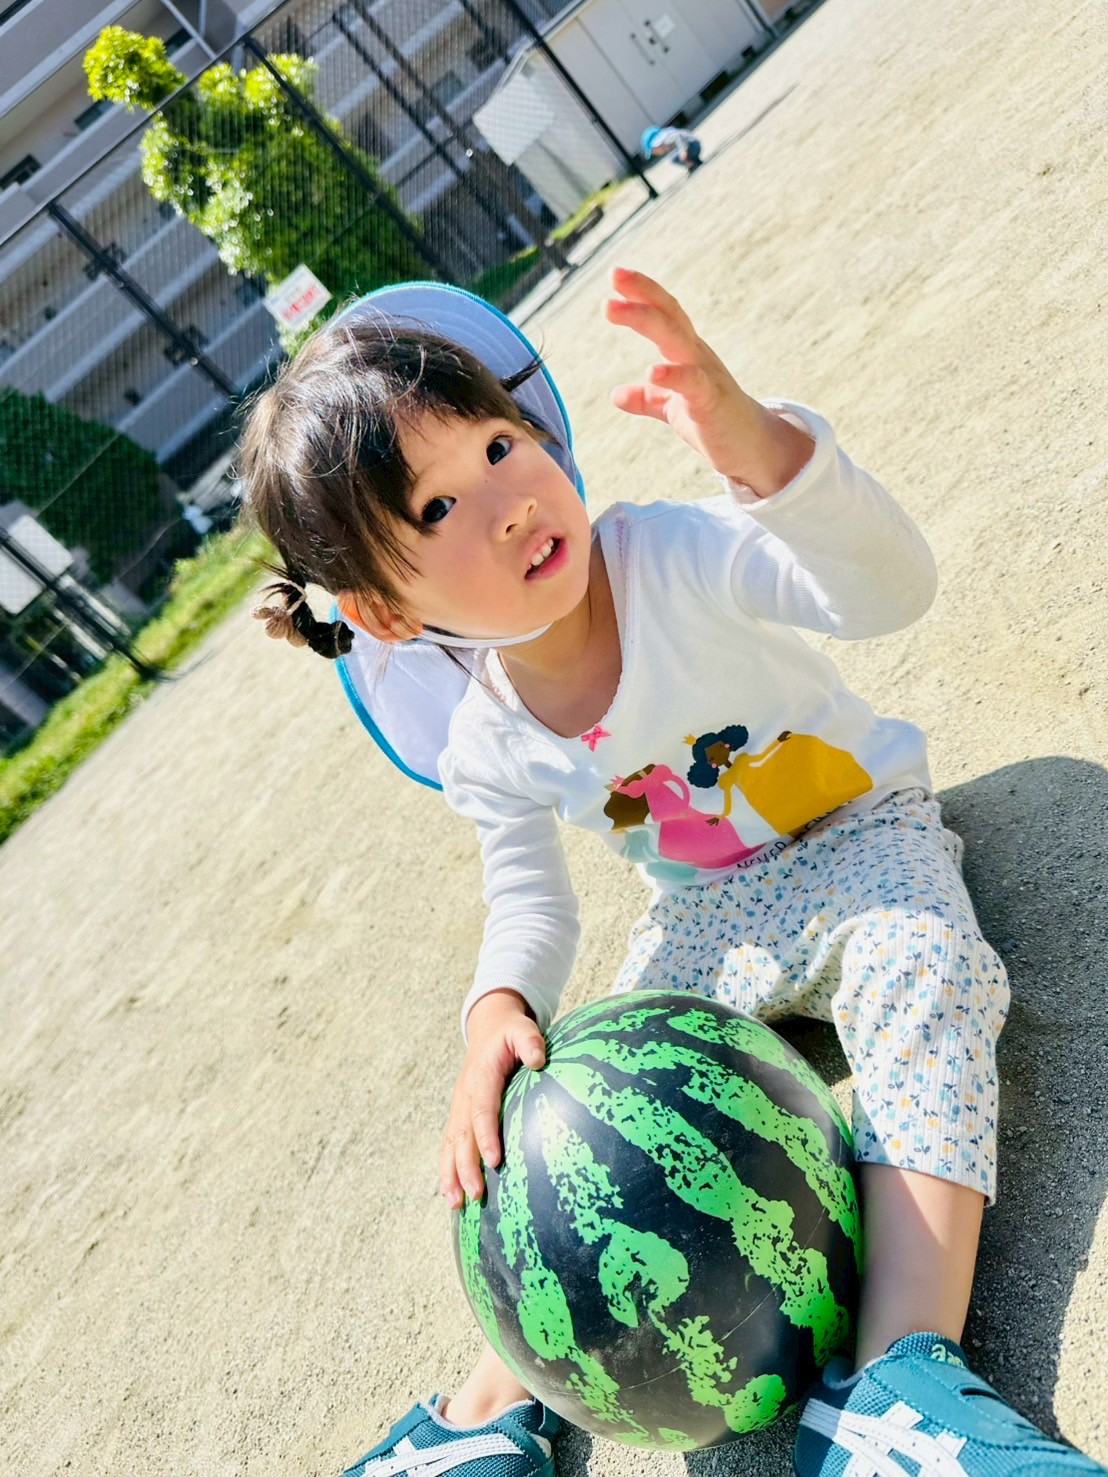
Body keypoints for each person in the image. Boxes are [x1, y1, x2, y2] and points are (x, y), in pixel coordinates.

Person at [238, 269, 1106, 1477]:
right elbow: (528, 896)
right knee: (568, 1126)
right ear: (386, 613)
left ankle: (895, 1385)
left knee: (927, 975)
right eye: (437, 507)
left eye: (499, 444)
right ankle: (478, 1421)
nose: (504, 504)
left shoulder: (674, 555)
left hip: (862, 838)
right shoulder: (485, 739)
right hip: (705, 909)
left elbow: (886, 591)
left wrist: (763, 452)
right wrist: (497, 1007)